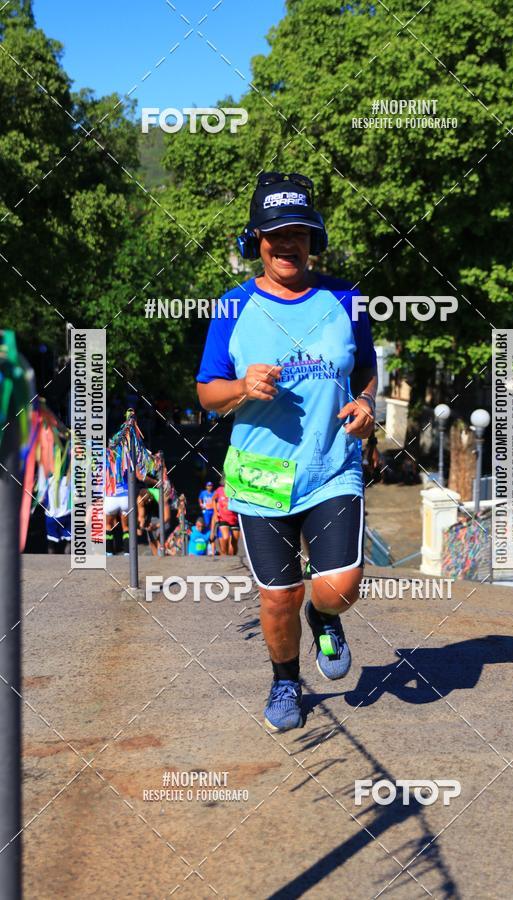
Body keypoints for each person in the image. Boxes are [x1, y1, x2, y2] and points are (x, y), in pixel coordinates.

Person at [196, 172, 377, 732]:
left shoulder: (347, 300)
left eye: (298, 230)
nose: (287, 242)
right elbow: (206, 393)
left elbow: (366, 371)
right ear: (257, 240)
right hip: (261, 474)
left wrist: (368, 405)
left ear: (313, 237)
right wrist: (239, 388)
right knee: (278, 597)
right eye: (275, 233)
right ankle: (283, 682)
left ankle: (324, 618)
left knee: (339, 588)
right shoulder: (232, 306)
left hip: (331, 466)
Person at [210, 478, 240, 556]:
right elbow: (213, 499)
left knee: (234, 542)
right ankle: (225, 554)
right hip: (223, 518)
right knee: (226, 537)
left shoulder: (235, 490)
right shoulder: (219, 490)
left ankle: (233, 556)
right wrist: (216, 512)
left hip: (234, 519)